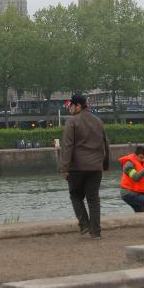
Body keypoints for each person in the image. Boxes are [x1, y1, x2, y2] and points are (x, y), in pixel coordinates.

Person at [60, 93, 110, 238]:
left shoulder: (72, 121)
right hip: (95, 167)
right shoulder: (98, 121)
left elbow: (67, 146)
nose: (69, 108)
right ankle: (96, 231)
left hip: (77, 167)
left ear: (78, 106)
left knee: (75, 195)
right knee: (93, 198)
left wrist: (65, 168)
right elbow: (106, 144)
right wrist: (105, 165)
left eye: (71, 105)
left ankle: (84, 224)